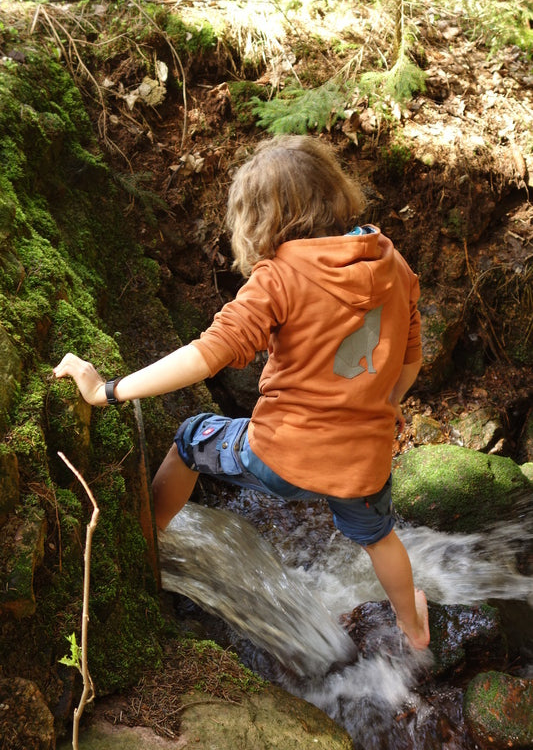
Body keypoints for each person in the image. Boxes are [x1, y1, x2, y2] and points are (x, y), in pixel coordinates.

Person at [54, 135, 430, 651]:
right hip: (361, 465)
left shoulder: (277, 279)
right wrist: (388, 406)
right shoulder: (393, 262)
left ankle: (150, 553)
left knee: (190, 440)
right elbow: (410, 360)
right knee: (379, 536)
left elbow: (207, 355)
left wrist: (109, 390)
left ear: (258, 219)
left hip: (280, 455)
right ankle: (413, 628)